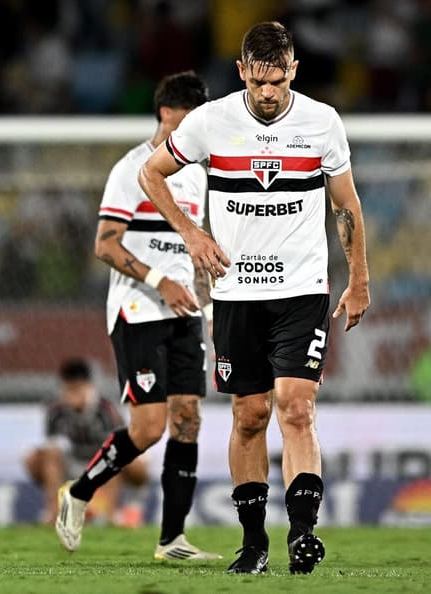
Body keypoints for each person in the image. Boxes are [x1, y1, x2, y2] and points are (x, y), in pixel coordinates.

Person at [137, 22, 371, 575]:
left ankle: (303, 534)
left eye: (278, 81)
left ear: (294, 70)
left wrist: (358, 278)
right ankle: (253, 542)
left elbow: (345, 205)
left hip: (303, 289)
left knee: (296, 404)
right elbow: (152, 173)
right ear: (242, 71)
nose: (268, 93)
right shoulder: (210, 122)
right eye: (258, 81)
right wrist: (192, 234)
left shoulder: (321, 122)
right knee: (249, 414)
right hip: (237, 292)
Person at [55, 71, 221, 562]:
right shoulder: (131, 169)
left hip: (185, 311)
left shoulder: (196, 175)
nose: (197, 130)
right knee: (149, 428)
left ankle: (172, 540)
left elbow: (197, 251)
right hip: (138, 309)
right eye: (191, 118)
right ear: (167, 113)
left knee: (187, 419)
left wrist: (208, 303)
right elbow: (105, 244)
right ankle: (79, 493)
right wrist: (159, 283)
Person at [25, 359, 148, 525]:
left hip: (101, 461)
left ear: (88, 387)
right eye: (69, 389)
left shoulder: (105, 410)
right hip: (72, 462)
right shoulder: (55, 411)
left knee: (118, 456)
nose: (73, 394)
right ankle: (54, 513)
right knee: (37, 458)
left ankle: (109, 514)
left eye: (77, 388)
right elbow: (52, 447)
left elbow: (119, 447)